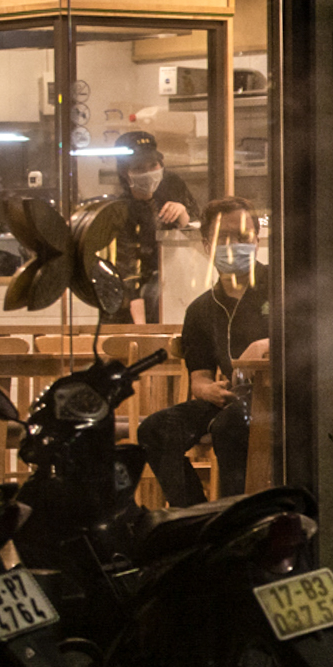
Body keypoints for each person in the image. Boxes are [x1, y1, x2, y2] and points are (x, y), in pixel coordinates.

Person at [138, 196, 268, 507]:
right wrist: (207, 389)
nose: (234, 245)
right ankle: (195, 516)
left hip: (279, 399)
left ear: (257, 240)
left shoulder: (281, 286)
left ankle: (239, 518)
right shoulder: (200, 309)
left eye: (243, 237)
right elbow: (199, 377)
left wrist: (269, 346)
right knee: (155, 430)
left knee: (229, 426)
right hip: (231, 398)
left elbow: (314, 338)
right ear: (207, 245)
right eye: (223, 238)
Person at [112, 130, 200, 324]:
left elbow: (202, 238)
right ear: (125, 174)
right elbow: (127, 272)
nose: (149, 172)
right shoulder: (121, 210)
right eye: (139, 168)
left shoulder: (173, 185)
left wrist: (184, 216)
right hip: (143, 298)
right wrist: (141, 327)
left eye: (153, 165)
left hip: (183, 280)